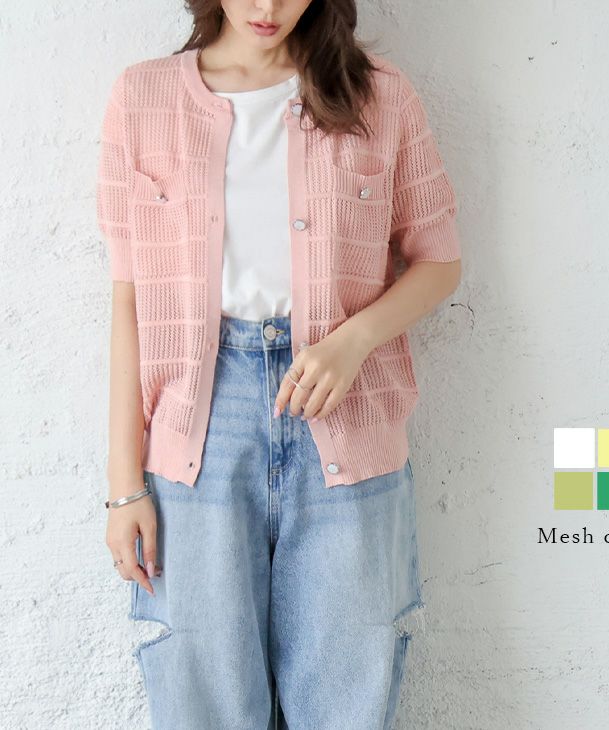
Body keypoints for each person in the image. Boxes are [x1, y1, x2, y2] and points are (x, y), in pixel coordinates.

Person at [96, 1, 461, 728]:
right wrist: (123, 485)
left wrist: (351, 342)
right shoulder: (143, 97)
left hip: (345, 416)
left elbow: (439, 261)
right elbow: (129, 299)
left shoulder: (379, 95)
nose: (268, 7)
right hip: (197, 429)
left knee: (346, 692)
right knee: (205, 694)